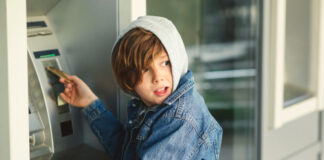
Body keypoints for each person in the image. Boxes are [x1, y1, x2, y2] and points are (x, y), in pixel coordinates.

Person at [60, 16, 222, 160]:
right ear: (128, 79)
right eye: (145, 69)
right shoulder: (153, 107)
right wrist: (90, 103)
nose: (158, 77)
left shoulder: (180, 119)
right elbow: (125, 151)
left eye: (165, 63)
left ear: (177, 59)